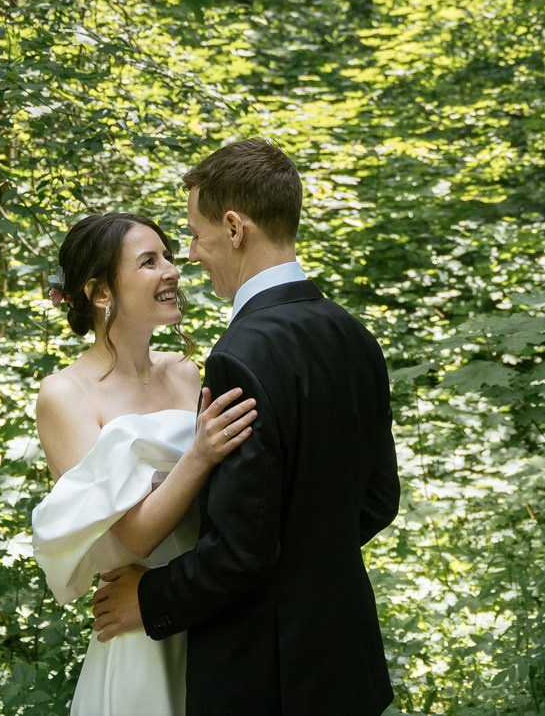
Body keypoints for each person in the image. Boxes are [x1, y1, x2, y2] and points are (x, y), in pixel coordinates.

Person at [90, 138, 400, 716]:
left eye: (195, 235)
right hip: (345, 663)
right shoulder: (353, 335)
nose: (191, 254)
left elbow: (241, 551)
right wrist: (310, 562)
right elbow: (379, 501)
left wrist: (149, 598)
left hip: (266, 676)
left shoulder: (241, 355)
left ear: (234, 228)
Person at [30, 212, 260, 716]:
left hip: (210, 607)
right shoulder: (65, 395)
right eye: (149, 262)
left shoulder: (184, 372)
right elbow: (133, 537)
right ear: (101, 293)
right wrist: (199, 454)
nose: (173, 271)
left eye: (169, 257)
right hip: (140, 621)